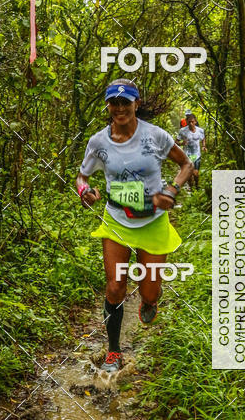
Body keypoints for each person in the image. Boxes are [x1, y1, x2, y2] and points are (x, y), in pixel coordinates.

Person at [76, 79, 193, 373]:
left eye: (125, 103)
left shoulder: (156, 136)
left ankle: (148, 301)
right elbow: (82, 177)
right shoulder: (98, 142)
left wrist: (172, 190)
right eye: (113, 103)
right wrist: (84, 192)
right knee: (115, 287)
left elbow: (186, 164)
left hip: (152, 222)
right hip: (116, 220)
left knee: (150, 293)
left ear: (136, 104)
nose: (119, 108)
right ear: (108, 106)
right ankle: (114, 351)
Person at [177, 113, 206, 187]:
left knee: (195, 173)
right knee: (189, 174)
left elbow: (203, 139)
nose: (190, 123)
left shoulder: (200, 130)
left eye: (192, 122)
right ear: (186, 122)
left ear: (195, 122)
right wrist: (182, 143)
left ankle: (196, 185)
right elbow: (176, 141)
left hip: (197, 155)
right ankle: (191, 189)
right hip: (187, 155)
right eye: (189, 122)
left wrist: (203, 146)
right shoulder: (182, 131)